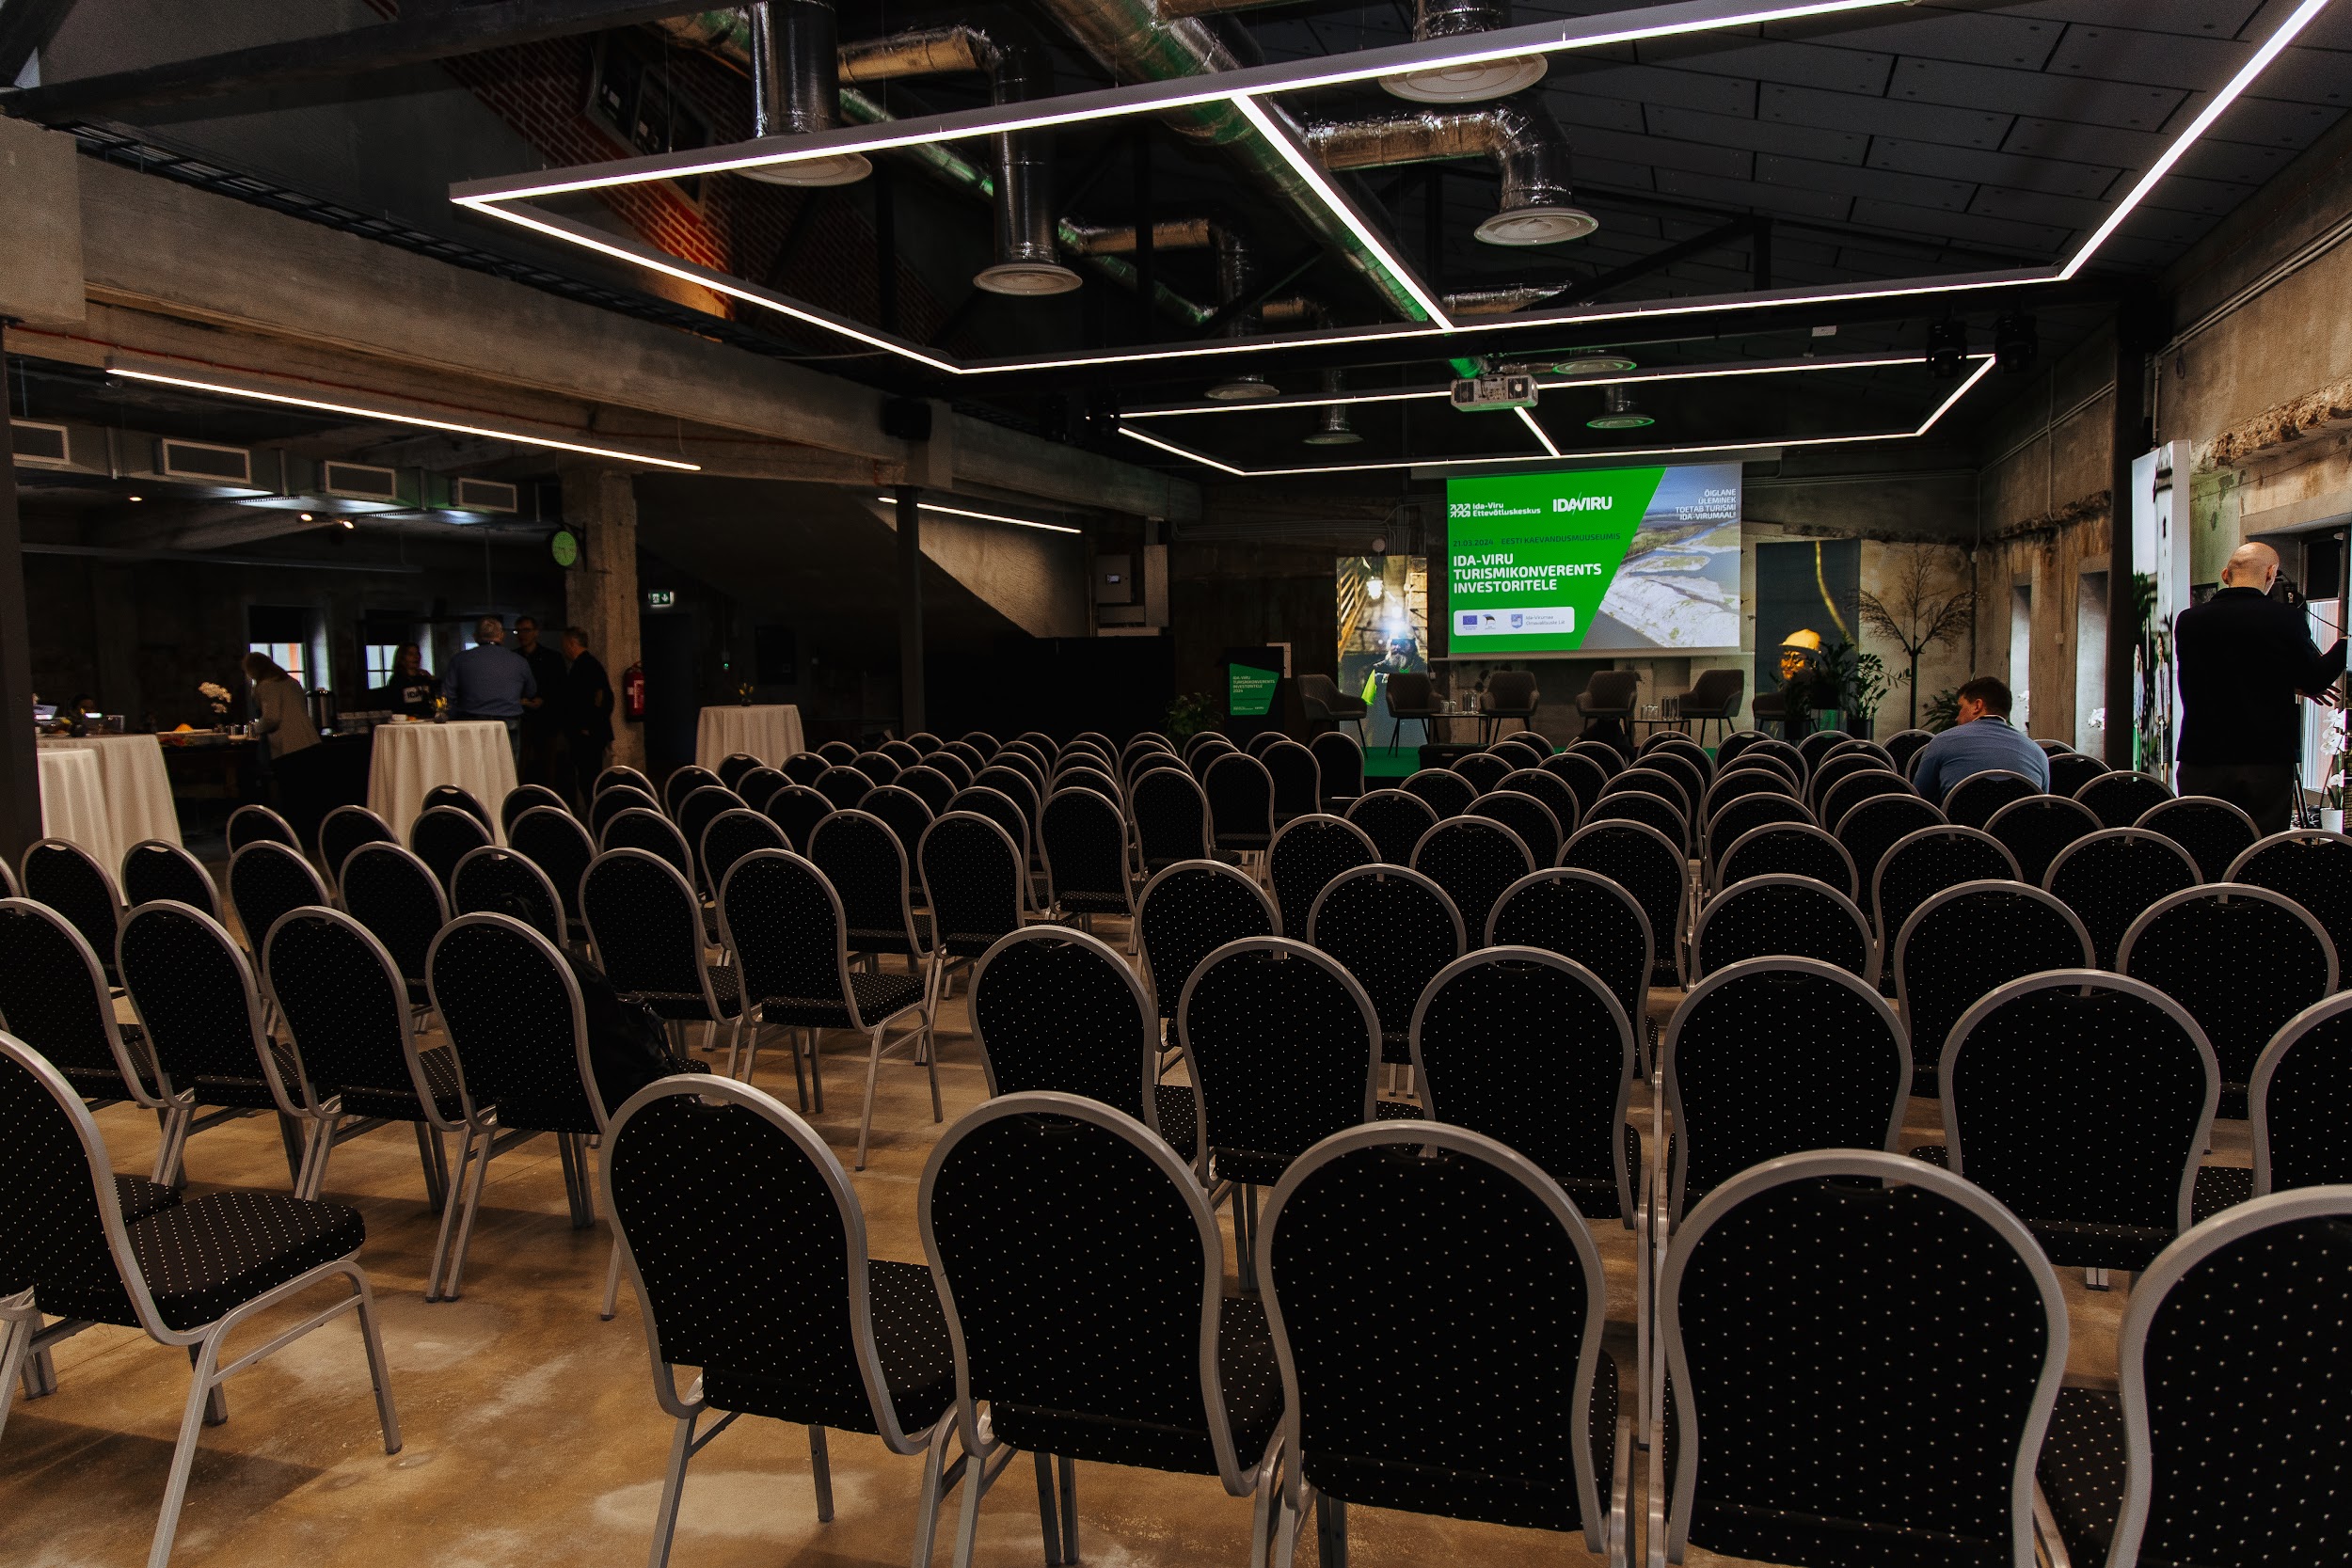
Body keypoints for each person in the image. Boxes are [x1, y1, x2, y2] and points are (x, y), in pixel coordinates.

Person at [2174, 541, 2346, 834]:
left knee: (2201, 843)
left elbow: (2221, 674)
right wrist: (2344, 646)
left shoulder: (2189, 620)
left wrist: (2284, 682)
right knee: (2260, 850)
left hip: (2201, 757)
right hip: (2266, 758)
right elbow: (2314, 679)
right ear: (2271, 573)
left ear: (2225, 574)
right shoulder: (2285, 618)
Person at [1911, 675, 2049, 802]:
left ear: (1977, 706)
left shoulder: (1943, 742)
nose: (1957, 717)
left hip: (1958, 828)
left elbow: (1920, 800)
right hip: (2019, 828)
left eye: (1961, 707)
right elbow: (2041, 804)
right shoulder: (2037, 752)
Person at [242, 651, 326, 843]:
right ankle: (315, 837)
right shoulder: (292, 682)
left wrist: (254, 728)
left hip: (289, 747)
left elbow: (272, 718)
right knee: (311, 796)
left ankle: (296, 838)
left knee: (293, 797)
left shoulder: (266, 687)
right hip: (311, 742)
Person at [442, 616, 536, 759]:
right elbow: (531, 691)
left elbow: (447, 695)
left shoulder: (459, 660)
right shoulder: (519, 661)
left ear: (475, 637)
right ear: (501, 635)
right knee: (507, 770)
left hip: (471, 724)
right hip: (508, 724)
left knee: (473, 768)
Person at [558, 626, 615, 811]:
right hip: (587, 732)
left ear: (572, 644)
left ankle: (595, 814)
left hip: (587, 734)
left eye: (564, 644)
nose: (563, 649)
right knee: (587, 777)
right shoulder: (586, 664)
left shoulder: (586, 666)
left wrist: (587, 726)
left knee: (589, 777)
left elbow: (602, 698)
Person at [513, 616, 568, 787]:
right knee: (519, 763)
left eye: (526, 630)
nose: (523, 635)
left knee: (547, 763)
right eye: (519, 631)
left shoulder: (552, 658)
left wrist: (544, 700)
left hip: (546, 718)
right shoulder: (514, 658)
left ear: (536, 633)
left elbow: (560, 687)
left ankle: (548, 800)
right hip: (521, 718)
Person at [377, 644, 438, 719]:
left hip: (428, 719)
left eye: (417, 653)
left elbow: (435, 699)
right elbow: (396, 706)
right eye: (411, 654)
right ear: (402, 659)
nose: (416, 657)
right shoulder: (397, 681)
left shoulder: (424, 679)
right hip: (407, 721)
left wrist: (432, 679)